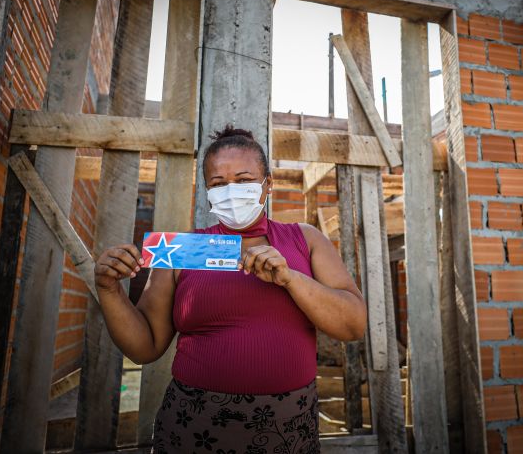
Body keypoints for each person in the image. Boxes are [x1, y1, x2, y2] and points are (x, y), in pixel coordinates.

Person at [93, 124, 367, 454]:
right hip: (195, 423)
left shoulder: (304, 239)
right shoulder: (183, 249)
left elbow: (353, 325)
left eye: (245, 180)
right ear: (207, 192)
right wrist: (108, 289)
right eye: (219, 184)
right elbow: (145, 347)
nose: (231, 191)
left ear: (268, 185)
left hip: (287, 424)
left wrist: (291, 279)